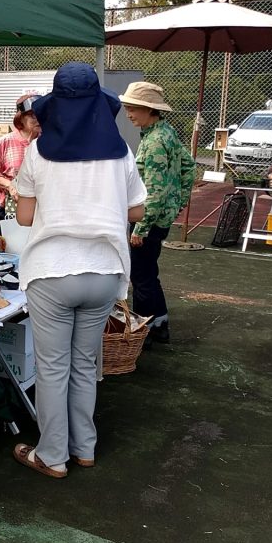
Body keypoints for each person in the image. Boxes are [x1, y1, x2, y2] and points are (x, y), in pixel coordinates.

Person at [11, 62, 147, 479]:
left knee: (53, 368)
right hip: (105, 271)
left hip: (52, 271)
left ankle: (52, 456)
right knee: (86, 364)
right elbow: (137, 211)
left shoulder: (38, 152)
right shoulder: (121, 153)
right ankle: (84, 447)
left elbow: (24, 217)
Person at [119, 82, 195, 346]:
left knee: (141, 276)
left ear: (149, 109)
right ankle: (159, 322)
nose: (129, 114)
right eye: (127, 108)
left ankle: (146, 329)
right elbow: (189, 166)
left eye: (133, 109)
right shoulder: (166, 132)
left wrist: (140, 228)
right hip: (160, 217)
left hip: (149, 220)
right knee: (148, 271)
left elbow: (154, 191)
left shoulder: (154, 142)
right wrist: (179, 201)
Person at [0, 94, 41, 235]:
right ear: (20, 118)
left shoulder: (46, 142)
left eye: (40, 114)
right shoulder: (6, 141)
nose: (38, 119)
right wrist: (10, 186)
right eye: (32, 116)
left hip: (39, 208)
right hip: (7, 208)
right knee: (8, 245)